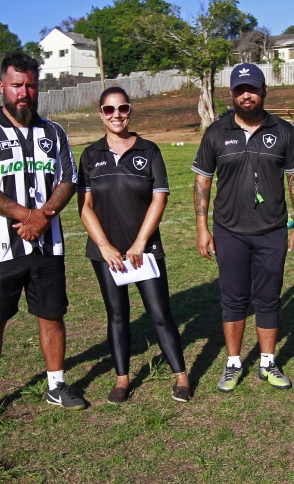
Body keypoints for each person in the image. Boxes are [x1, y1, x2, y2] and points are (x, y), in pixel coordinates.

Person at [0, 51, 84, 421]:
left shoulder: (54, 132)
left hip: (48, 244)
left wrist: (43, 217)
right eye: (17, 85)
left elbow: (69, 179)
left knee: (51, 315)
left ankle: (56, 385)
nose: (24, 92)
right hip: (1, 247)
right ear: (2, 87)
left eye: (31, 85)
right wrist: (27, 216)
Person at [192, 63, 294, 392]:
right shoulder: (216, 132)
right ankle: (232, 364)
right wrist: (202, 227)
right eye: (241, 90)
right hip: (229, 231)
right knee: (233, 299)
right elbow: (202, 181)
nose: (247, 95)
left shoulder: (283, 130)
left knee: (269, 298)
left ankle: (268, 363)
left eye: (253, 89)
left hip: (272, 230)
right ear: (231, 94)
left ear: (264, 91)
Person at [77, 86, 190, 403]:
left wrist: (140, 243)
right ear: (101, 113)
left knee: (159, 313)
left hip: (145, 252)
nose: (117, 115)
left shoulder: (149, 150)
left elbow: (160, 197)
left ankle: (181, 376)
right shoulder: (90, 155)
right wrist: (104, 246)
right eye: (109, 109)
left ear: (130, 111)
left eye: (122, 108)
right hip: (106, 254)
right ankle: (122, 379)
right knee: (116, 315)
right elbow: (84, 207)